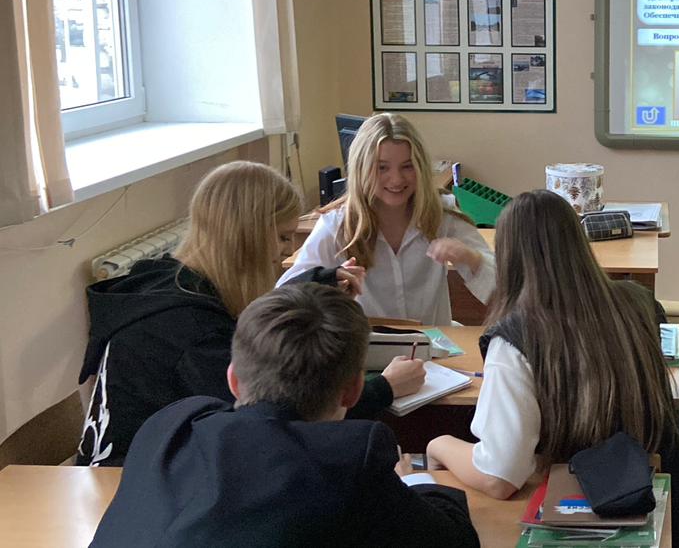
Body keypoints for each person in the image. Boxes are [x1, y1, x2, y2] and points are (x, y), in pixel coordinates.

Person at [76, 161, 424, 467]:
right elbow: (277, 418)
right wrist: (384, 388)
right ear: (248, 236)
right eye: (283, 237)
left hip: (143, 465)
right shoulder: (192, 331)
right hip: (133, 483)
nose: (286, 251)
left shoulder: (170, 282)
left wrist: (315, 283)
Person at [90, 283, 480, 548]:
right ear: (353, 389)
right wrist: (412, 480)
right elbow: (455, 541)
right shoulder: (349, 458)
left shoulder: (170, 425)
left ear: (233, 380)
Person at [424, 190, 679, 548]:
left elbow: (499, 476)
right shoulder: (638, 303)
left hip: (582, 511)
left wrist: (438, 445)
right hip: (656, 495)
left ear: (509, 259)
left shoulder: (514, 341)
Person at [280, 113, 495, 324]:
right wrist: (328, 283)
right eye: (382, 168)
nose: (396, 179)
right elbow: (283, 298)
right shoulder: (337, 224)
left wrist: (471, 258)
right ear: (362, 169)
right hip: (366, 343)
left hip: (431, 343)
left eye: (407, 166)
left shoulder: (441, 213)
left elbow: (503, 289)